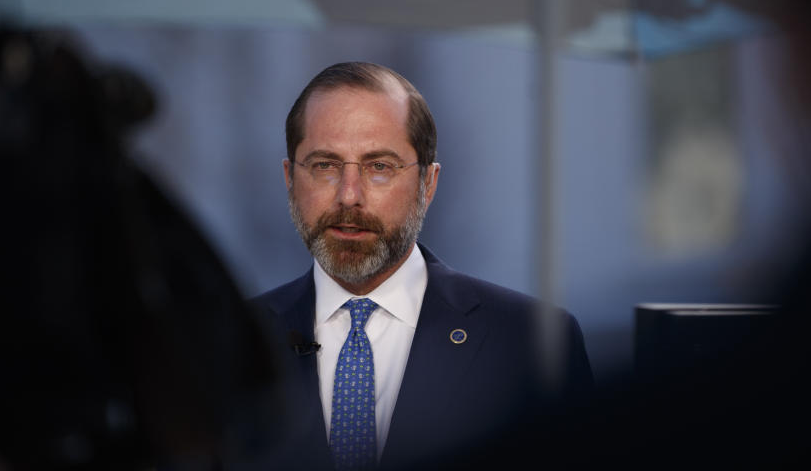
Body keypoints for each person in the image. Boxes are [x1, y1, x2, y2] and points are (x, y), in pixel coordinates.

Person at [252, 62, 592, 470]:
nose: (348, 195)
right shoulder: (225, 342)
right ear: (290, 179)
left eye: (379, 166)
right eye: (324, 165)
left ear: (428, 184)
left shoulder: (533, 345)